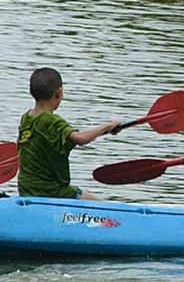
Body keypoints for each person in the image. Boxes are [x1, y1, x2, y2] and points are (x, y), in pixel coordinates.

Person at [17, 67, 120, 200]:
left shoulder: (26, 118)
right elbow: (80, 139)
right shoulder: (51, 121)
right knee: (99, 204)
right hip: (52, 191)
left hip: (26, 189)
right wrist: (107, 125)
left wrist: (104, 130)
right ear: (59, 93)